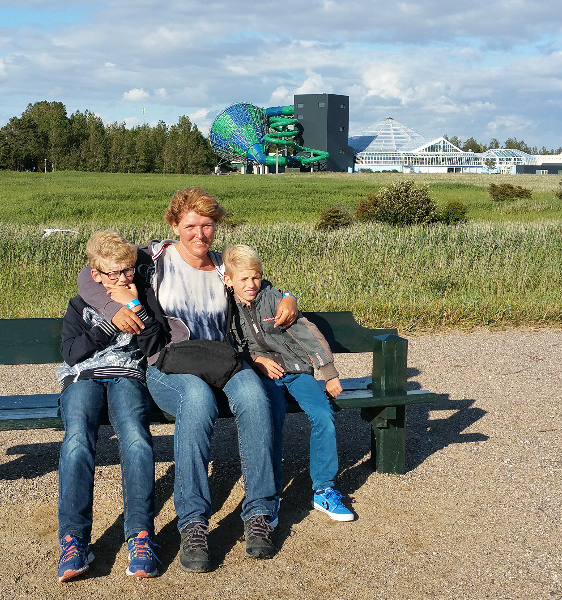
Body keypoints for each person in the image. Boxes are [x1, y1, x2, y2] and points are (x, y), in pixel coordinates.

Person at [77, 187, 298, 573]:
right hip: (170, 365)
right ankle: (194, 522)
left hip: (222, 361)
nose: (200, 234)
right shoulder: (153, 259)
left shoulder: (222, 266)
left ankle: (260, 513)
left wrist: (288, 296)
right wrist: (114, 307)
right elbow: (88, 275)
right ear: (175, 224)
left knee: (254, 396)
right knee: (196, 400)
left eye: (208, 225)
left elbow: (258, 287)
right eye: (191, 225)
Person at [56, 231, 167, 582]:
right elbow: (71, 353)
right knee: (77, 441)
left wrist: (135, 306)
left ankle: (140, 536)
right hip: (83, 377)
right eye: (114, 273)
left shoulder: (142, 298)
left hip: (127, 376)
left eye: (128, 271)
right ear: (96, 274)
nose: (122, 279)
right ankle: (74, 540)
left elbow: (155, 345)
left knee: (135, 438)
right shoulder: (80, 305)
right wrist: (109, 325)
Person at [221, 244, 355, 523]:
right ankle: (270, 495)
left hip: (296, 370)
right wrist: (255, 360)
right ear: (228, 280)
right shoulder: (225, 307)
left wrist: (329, 372)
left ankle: (324, 489)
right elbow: (229, 344)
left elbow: (308, 335)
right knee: (272, 418)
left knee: (323, 415)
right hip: (263, 376)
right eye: (243, 279)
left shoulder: (274, 300)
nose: (251, 284)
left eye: (256, 277)